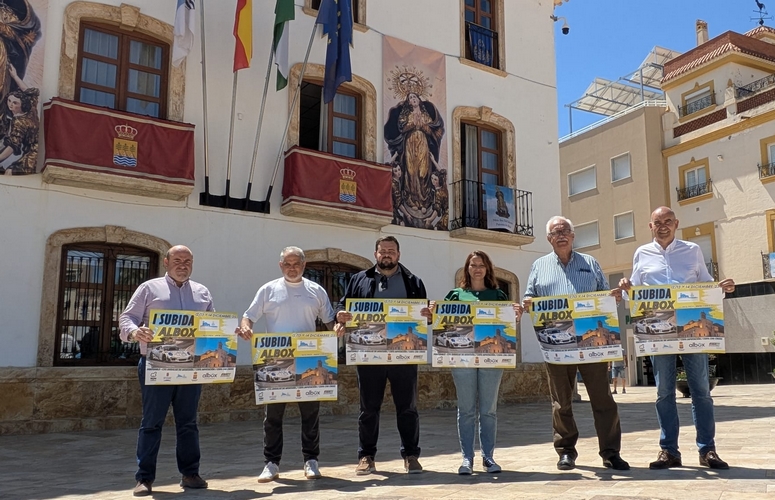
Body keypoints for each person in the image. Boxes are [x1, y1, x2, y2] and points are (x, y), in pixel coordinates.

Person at [618, 206, 735, 470]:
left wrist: (721, 289)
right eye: (657, 222)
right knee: (663, 392)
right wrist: (626, 287)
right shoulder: (641, 253)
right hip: (658, 333)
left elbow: (706, 284)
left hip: (691, 329)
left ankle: (707, 450)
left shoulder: (692, 250)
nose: (663, 226)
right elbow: (632, 295)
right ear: (650, 226)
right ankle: (669, 451)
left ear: (676, 223)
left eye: (668, 221)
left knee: (701, 391)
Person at [520, 216, 630, 471]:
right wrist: (527, 303)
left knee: (603, 399)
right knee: (561, 402)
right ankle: (566, 451)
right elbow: (529, 297)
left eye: (565, 231)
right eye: (556, 233)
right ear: (549, 239)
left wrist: (613, 297)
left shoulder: (590, 263)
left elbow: (605, 295)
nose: (561, 236)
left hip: (592, 344)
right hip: (557, 346)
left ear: (572, 235)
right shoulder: (539, 266)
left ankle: (611, 453)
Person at [236, 246, 336, 482]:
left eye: (296, 264)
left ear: (304, 265)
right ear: (280, 266)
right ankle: (271, 463)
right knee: (273, 417)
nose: (292, 268)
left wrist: (338, 329)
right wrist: (246, 327)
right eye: (287, 264)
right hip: (275, 362)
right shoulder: (268, 290)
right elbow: (248, 316)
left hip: (307, 361)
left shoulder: (316, 291)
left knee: (310, 414)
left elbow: (330, 321)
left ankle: (311, 460)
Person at [119, 245, 211, 496]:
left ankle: (190, 474)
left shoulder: (202, 292)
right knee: (151, 423)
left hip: (191, 368)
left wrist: (226, 335)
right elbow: (127, 318)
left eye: (188, 261)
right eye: (177, 260)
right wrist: (135, 331)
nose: (183, 265)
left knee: (188, 423)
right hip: (155, 365)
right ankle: (144, 478)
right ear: (166, 262)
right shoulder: (149, 288)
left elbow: (212, 326)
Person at [335, 236, 430, 475]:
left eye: (391, 251)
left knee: (408, 408)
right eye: (382, 250)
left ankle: (411, 456)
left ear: (398, 254)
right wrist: (340, 315)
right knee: (368, 408)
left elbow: (424, 316)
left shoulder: (413, 281)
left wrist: (429, 315)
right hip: (369, 355)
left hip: (404, 356)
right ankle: (366, 456)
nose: (387, 254)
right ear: (375, 254)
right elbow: (342, 305)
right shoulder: (359, 279)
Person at [442, 250, 512, 475]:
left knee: (488, 410)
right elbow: (443, 323)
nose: (477, 269)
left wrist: (516, 315)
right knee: (466, 410)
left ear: (487, 269)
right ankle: (467, 459)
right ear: (467, 269)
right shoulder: (455, 295)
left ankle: (488, 457)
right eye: (473, 265)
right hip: (462, 358)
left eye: (481, 265)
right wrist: (430, 313)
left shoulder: (498, 295)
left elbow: (507, 325)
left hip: (492, 357)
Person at [384, 91, 445, 220]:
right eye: (410, 98)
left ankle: (424, 202)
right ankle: (412, 201)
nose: (413, 99)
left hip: (423, 143)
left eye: (415, 97)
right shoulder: (406, 114)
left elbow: (431, 130)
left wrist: (422, 126)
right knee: (411, 172)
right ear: (408, 102)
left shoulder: (425, 114)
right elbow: (401, 128)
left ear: (418, 99)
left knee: (423, 172)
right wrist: (412, 124)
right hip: (410, 144)